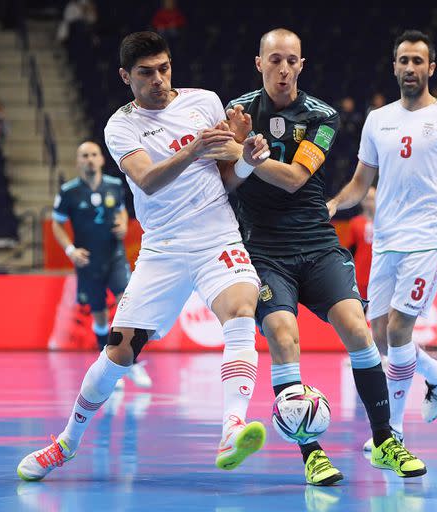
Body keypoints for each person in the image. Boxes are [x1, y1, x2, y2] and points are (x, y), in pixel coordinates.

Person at [17, 31, 270, 481]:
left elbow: (226, 180)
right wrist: (195, 148)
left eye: (164, 68)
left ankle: (232, 427)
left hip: (217, 237)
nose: (158, 79)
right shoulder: (121, 126)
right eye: (146, 73)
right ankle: (66, 443)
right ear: (125, 76)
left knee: (241, 312)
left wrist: (246, 158)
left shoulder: (206, 102)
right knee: (118, 352)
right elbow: (148, 181)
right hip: (163, 247)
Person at [225, 28, 426, 482]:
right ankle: (311, 453)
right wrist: (238, 156)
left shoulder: (322, 115)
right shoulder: (235, 112)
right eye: (274, 59)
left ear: (301, 65)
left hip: (316, 243)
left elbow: (296, 178)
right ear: (259, 63)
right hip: (262, 250)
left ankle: (385, 440)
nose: (283, 68)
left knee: (358, 329)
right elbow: (225, 181)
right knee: (281, 333)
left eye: (291, 60)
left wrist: (247, 153)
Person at [327, 30, 437, 451]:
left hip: (429, 238)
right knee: (379, 337)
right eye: (404, 60)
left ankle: (391, 433)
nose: (411, 68)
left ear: (430, 68)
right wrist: (332, 205)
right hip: (387, 241)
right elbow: (360, 183)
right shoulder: (378, 120)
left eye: (418, 61)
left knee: (400, 330)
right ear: (394, 66)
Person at [51, 141, 152, 388]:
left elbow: (121, 211)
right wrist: (70, 250)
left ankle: (133, 364)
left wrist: (122, 223)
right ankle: (106, 365)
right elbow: (57, 224)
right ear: (78, 161)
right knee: (98, 314)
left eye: (94, 155)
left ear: (101, 159)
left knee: (127, 304)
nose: (89, 159)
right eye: (84, 155)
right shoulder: (69, 191)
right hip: (88, 260)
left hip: (114, 256)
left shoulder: (115, 186)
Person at [345, 186, 375, 299]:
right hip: (360, 274)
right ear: (362, 201)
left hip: (379, 272)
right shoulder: (355, 222)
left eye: (373, 199)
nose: (370, 203)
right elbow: (349, 250)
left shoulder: (385, 223)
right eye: (367, 199)